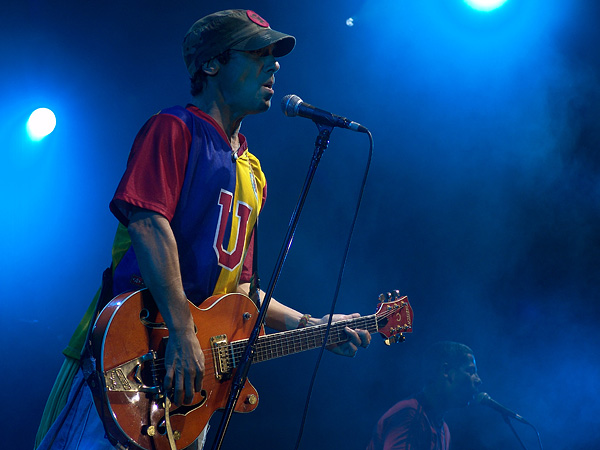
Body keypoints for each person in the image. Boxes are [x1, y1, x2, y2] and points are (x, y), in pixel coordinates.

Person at [35, 9, 371, 450]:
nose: (274, 65)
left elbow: (242, 291)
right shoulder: (174, 129)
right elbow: (148, 225)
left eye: (274, 56)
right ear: (212, 63)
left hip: (187, 383)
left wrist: (313, 325)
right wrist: (181, 330)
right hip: (133, 353)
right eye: (257, 53)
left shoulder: (254, 175)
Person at [367, 341, 482, 450]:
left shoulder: (443, 429)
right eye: (471, 371)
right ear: (446, 371)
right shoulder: (410, 415)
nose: (478, 380)